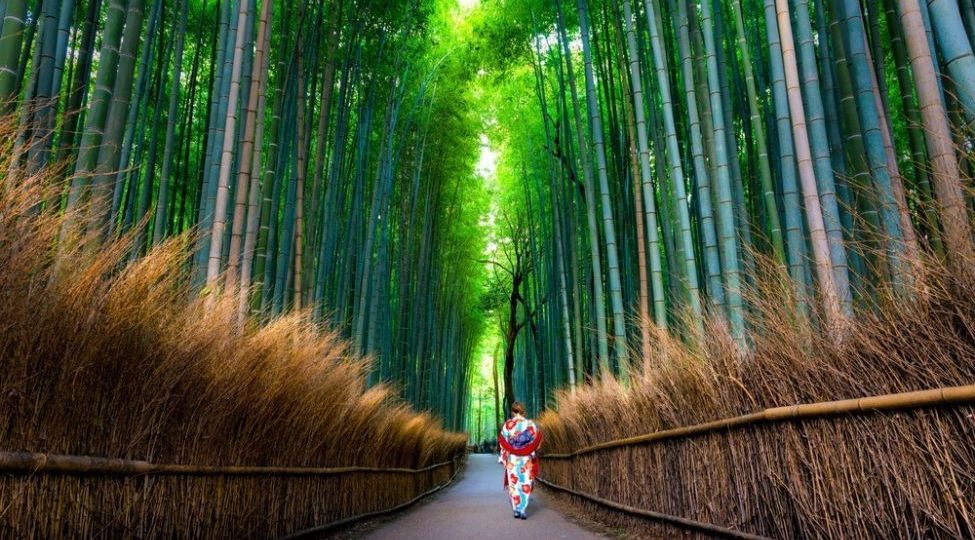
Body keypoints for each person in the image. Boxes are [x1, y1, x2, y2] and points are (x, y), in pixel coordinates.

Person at [497, 401, 542, 519]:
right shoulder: (530, 424)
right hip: (526, 457)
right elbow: (536, 442)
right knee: (525, 482)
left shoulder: (507, 425)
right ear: (523, 411)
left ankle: (516, 509)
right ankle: (522, 509)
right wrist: (530, 450)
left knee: (514, 483)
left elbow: (503, 442)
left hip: (513, 458)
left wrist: (504, 457)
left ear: (512, 411)